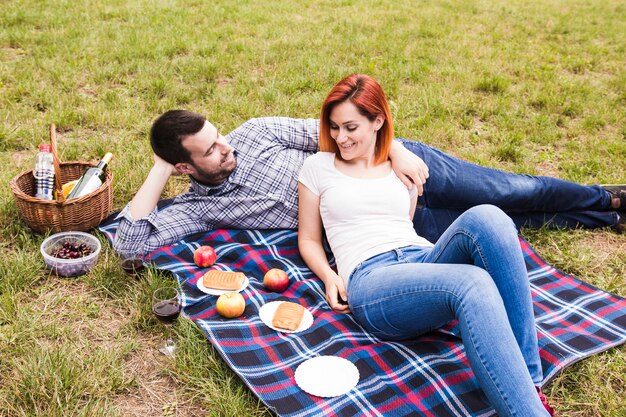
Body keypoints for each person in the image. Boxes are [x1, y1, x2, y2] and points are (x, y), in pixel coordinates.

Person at [297, 74, 556, 416]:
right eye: (334, 127)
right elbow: (309, 239)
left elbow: (403, 223)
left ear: (377, 120)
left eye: (350, 127)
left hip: (421, 257)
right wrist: (330, 277)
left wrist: (395, 150)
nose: (340, 137)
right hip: (373, 279)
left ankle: (529, 384)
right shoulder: (317, 167)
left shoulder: (400, 166)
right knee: (472, 282)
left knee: (490, 217)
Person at [112, 107, 625, 257]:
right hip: (391, 222)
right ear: (184, 168)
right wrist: (160, 166)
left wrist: (395, 147)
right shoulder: (197, 207)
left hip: (404, 167)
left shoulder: (257, 133)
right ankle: (609, 219)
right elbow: (130, 245)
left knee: (512, 192)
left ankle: (606, 196)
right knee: (512, 224)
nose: (227, 147)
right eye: (210, 150)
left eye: (219, 136)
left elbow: (341, 132)